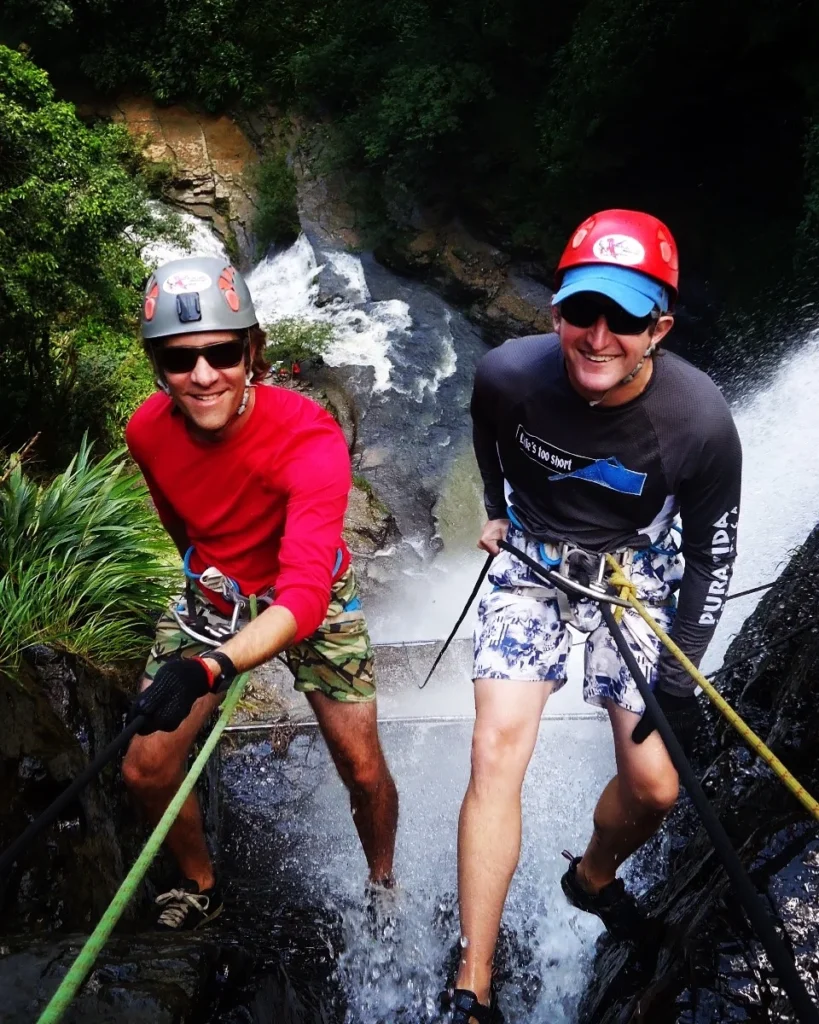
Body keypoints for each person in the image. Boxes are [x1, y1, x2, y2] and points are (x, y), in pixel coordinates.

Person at [450, 210, 742, 1022]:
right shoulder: (506, 375)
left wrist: (678, 681)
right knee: (493, 748)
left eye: (624, 319)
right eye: (583, 312)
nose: (599, 335)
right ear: (557, 314)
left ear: (659, 328)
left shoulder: (700, 424)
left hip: (634, 574)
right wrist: (497, 508)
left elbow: (710, 559)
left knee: (654, 786)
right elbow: (488, 437)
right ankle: (472, 982)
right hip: (532, 564)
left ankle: (592, 876)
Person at [122, 256, 398, 930]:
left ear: (253, 351)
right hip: (216, 592)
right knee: (145, 765)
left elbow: (302, 596)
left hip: (312, 592)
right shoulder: (146, 431)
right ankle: (200, 884)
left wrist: (211, 666)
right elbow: (178, 520)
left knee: (361, 770)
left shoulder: (309, 438)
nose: (203, 374)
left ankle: (382, 882)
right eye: (180, 359)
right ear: (158, 364)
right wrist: (204, 583)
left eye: (222, 352)